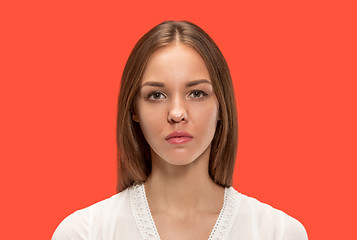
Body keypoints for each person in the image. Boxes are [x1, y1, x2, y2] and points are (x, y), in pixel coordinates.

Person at [52, 20, 308, 240]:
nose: (177, 113)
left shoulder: (278, 233)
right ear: (134, 110)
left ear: (221, 107)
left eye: (196, 93)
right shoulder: (84, 233)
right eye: (156, 95)